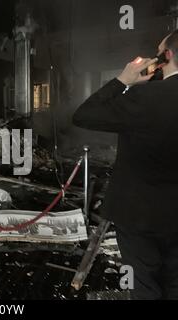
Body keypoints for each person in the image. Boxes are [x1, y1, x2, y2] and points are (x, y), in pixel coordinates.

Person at [73, 31, 178, 300]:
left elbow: (84, 115)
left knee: (144, 286)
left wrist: (123, 80)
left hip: (138, 215)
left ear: (166, 56)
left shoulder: (146, 98)